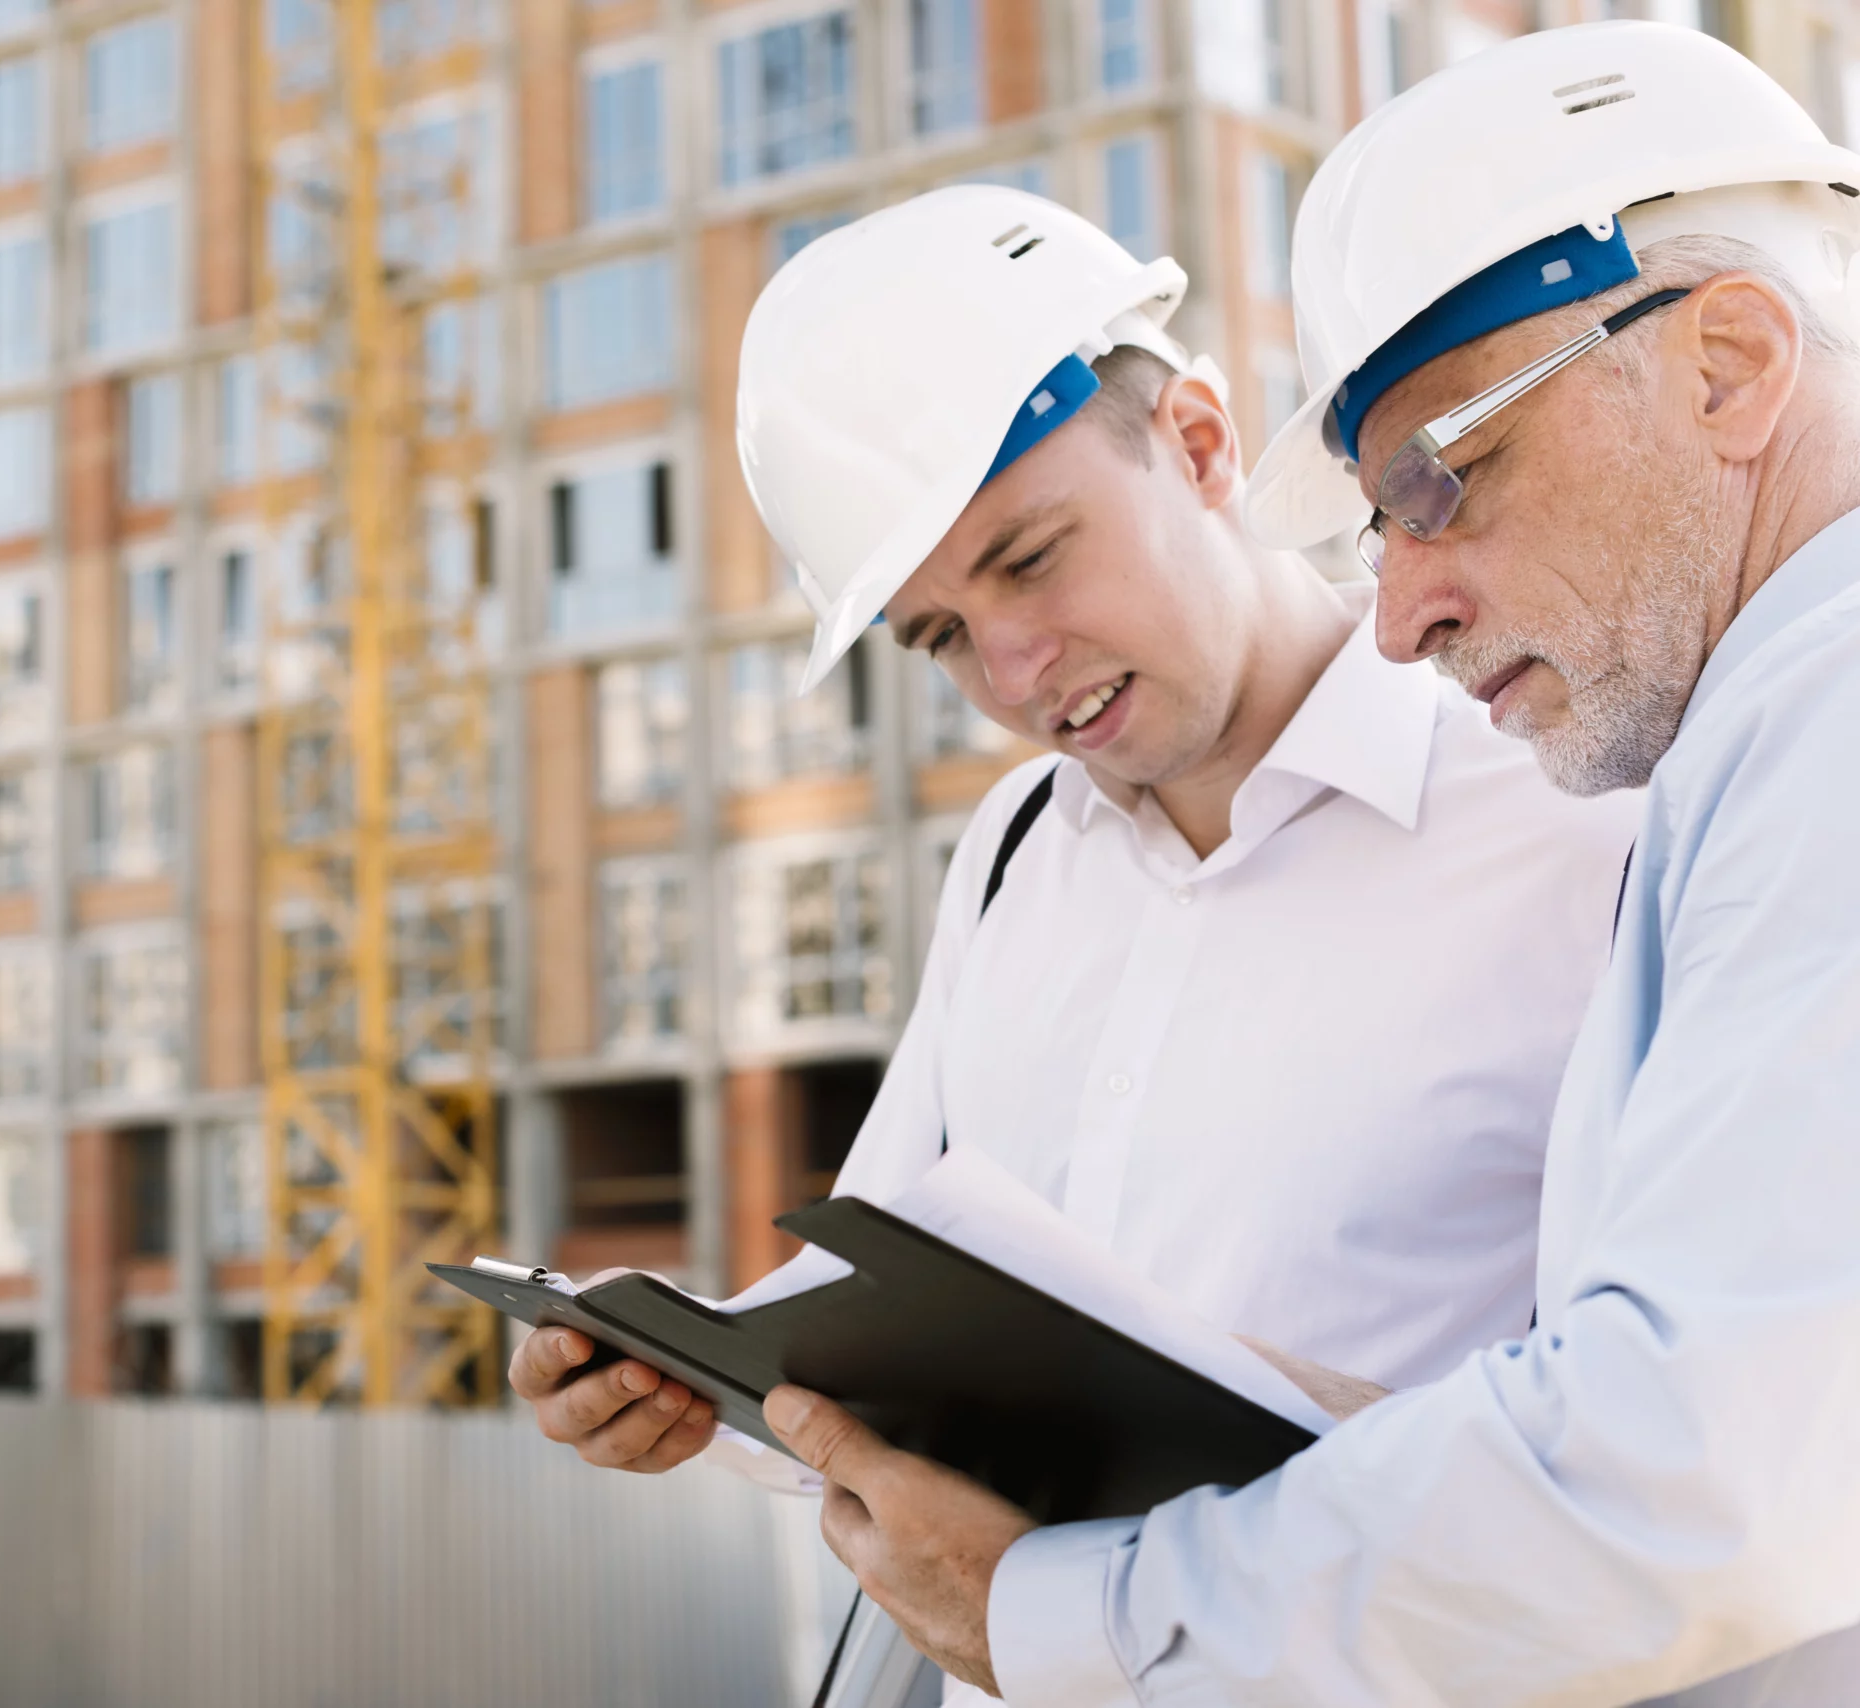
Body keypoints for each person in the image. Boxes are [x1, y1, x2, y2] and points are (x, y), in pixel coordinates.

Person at [759, 22, 1860, 1704]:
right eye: (939, 640)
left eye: (1440, 481)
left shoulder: (1722, 756)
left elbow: (1694, 1471)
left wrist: (1076, 1611)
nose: (1402, 613)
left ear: (1726, 367)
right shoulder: (1017, 865)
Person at [506, 186, 1637, 1698]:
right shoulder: (1016, 854)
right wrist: (689, 1382)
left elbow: (1669, 1449)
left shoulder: (1580, 816)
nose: (1018, 668)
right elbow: (883, 1302)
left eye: (1032, 560)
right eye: (944, 638)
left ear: (1200, 444)